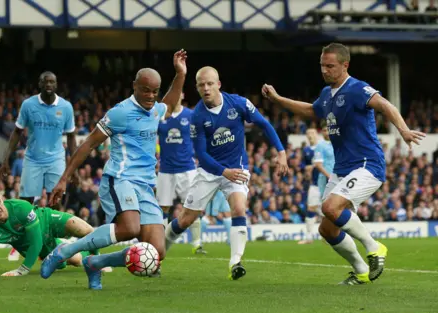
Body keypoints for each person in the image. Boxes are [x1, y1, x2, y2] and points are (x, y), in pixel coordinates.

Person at [262, 42, 425, 284]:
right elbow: (310, 111)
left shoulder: (357, 89)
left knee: (330, 207)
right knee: (326, 230)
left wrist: (403, 131)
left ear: (345, 65)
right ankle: (361, 270)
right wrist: (277, 99)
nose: (325, 71)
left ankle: (374, 247)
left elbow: (385, 105)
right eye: (322, 66)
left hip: (367, 165)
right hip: (342, 169)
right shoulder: (327, 94)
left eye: (330, 66)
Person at [40, 50, 188, 290]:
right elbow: (88, 143)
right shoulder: (120, 112)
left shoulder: (155, 110)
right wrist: (64, 179)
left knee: (156, 252)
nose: (151, 96)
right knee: (129, 228)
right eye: (146, 90)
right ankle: (65, 250)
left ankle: (95, 262)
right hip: (120, 179)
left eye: (154, 91)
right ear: (134, 86)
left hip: (145, 185)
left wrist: (180, 74)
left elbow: (169, 103)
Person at [165, 66, 288, 281]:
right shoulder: (197, 116)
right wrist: (223, 171)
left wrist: (281, 152)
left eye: (210, 83)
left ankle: (235, 262)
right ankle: (159, 252)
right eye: (201, 85)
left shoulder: (238, 103)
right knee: (185, 220)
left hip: (237, 168)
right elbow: (201, 155)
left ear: (218, 84)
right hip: (210, 171)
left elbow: (264, 124)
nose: (206, 88)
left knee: (239, 208)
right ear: (197, 88)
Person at [0, 185, 110, 279]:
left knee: (86, 230)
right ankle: (65, 250)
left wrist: (23, 269)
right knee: (74, 260)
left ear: (3, 199)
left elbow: (36, 240)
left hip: (46, 220)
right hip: (38, 248)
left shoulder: (21, 208)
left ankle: (97, 262)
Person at [0, 71, 76, 206]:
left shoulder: (66, 107)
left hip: (56, 159)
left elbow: (71, 137)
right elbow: (17, 131)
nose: (48, 84)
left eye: (52, 81)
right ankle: (28, 227)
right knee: (25, 203)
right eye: (45, 81)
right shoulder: (28, 105)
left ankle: (52, 227)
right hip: (33, 159)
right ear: (39, 84)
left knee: (55, 201)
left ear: (56, 85)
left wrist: (74, 166)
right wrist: (5, 158)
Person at [156, 92, 204, 254]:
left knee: (192, 206)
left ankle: (197, 244)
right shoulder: (160, 117)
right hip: (165, 170)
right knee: (163, 208)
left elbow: (201, 136)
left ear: (182, 95)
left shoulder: (190, 115)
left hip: (187, 169)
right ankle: (159, 242)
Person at [300, 128, 322, 245]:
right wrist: (306, 168)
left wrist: (314, 166)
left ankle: (329, 236)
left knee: (327, 210)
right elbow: (303, 164)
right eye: (308, 133)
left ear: (317, 135)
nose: (310, 135)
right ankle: (309, 237)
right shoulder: (306, 150)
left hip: (326, 182)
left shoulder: (322, 147)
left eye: (312, 133)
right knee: (311, 208)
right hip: (314, 184)